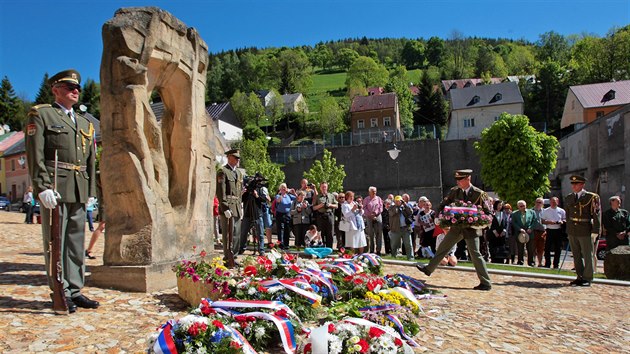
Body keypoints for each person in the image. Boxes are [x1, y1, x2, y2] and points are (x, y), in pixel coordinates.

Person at [25, 69, 99, 312]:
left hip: (78, 187)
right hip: (56, 187)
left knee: (76, 242)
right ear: (55, 89)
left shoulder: (86, 122)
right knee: (55, 241)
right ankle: (59, 290)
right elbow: (35, 154)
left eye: (76, 87)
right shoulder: (42, 115)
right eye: (68, 87)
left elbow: (90, 160)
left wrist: (89, 190)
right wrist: (42, 186)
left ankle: (75, 289)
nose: (75, 90)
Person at [416, 169, 493, 291]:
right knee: (443, 246)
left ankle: (486, 282)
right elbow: (443, 204)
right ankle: (429, 269)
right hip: (457, 227)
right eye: (456, 179)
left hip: (471, 229)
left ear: (468, 179)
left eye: (460, 179)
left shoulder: (479, 194)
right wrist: (437, 216)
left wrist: (481, 222)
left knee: (475, 254)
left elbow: (488, 212)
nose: (457, 182)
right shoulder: (454, 191)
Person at [564, 175, 601, 287]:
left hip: (585, 228)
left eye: (576, 184)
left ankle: (588, 277)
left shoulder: (591, 197)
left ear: (582, 185)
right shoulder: (569, 197)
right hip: (572, 229)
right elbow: (568, 215)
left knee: (587, 254)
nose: (574, 186)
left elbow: (596, 214)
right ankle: (579, 276)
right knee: (576, 254)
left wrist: (596, 230)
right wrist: (568, 230)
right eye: (572, 184)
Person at [216, 149, 244, 265]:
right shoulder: (223, 171)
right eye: (235, 157)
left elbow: (238, 191)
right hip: (228, 208)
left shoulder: (238, 173)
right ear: (229, 157)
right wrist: (225, 208)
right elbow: (220, 192)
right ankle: (228, 258)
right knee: (228, 234)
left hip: (236, 207)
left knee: (237, 234)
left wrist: (240, 205)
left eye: (238, 158)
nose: (237, 160)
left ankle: (234, 256)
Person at [239, 173, 267, 256]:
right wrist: (242, 193)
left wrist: (257, 196)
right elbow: (241, 200)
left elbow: (264, 200)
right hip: (247, 213)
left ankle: (261, 250)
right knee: (243, 232)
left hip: (257, 213)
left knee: (260, 233)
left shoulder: (261, 189)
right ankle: (241, 248)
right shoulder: (247, 189)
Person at [541, 197, 566, 268]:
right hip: (549, 230)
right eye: (552, 202)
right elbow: (542, 221)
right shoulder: (546, 211)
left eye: (555, 202)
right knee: (547, 248)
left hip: (558, 230)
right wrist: (549, 222)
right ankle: (547, 263)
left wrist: (562, 222)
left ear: (557, 202)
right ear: (550, 202)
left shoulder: (562, 211)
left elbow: (564, 219)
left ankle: (556, 264)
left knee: (558, 248)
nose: (553, 203)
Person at [85, 171, 105, 260]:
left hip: (114, 203)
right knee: (102, 226)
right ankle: (89, 249)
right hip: (105, 204)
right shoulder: (99, 175)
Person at [313, 182, 338, 248]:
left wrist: (330, 205)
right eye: (322, 187)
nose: (324, 188)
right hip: (320, 216)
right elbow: (314, 208)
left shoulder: (331, 196)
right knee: (321, 233)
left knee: (330, 233)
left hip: (329, 216)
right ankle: (321, 248)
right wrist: (320, 205)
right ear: (320, 188)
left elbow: (336, 205)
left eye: (325, 187)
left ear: (327, 187)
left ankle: (329, 249)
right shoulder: (317, 196)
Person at [511, 200, 536, 266]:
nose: (523, 207)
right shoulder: (514, 214)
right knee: (520, 248)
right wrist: (519, 229)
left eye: (524, 206)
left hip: (529, 233)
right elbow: (513, 223)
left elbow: (535, 221)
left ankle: (531, 262)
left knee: (530, 248)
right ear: (518, 207)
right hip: (519, 233)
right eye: (521, 206)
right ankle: (520, 261)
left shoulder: (532, 212)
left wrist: (531, 228)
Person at [388, 195, 414, 260]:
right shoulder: (391, 207)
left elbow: (410, 212)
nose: (398, 202)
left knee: (408, 244)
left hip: (406, 228)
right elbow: (392, 213)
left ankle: (410, 257)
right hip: (395, 229)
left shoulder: (405, 207)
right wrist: (397, 206)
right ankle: (393, 257)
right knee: (394, 245)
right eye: (396, 201)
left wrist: (404, 204)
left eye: (399, 201)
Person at [362, 186, 384, 255]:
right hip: (369, 217)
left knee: (379, 234)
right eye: (373, 191)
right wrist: (370, 214)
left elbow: (381, 207)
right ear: (369, 192)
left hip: (378, 216)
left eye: (375, 191)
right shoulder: (366, 199)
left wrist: (375, 213)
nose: (374, 192)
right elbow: (364, 208)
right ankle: (371, 250)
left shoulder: (378, 198)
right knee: (371, 234)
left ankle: (378, 250)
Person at [275, 183, 296, 249]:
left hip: (287, 214)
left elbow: (298, 198)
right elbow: (278, 201)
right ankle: (280, 244)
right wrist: (282, 194)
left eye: (285, 187)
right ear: (280, 189)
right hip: (280, 214)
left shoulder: (289, 196)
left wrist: (294, 193)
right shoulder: (278, 196)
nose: (284, 189)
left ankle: (286, 244)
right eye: (282, 187)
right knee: (280, 229)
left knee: (287, 229)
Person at [487, 199, 509, 264]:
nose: (500, 206)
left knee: (501, 247)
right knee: (493, 247)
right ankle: (493, 260)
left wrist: (504, 231)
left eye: (501, 205)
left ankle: (501, 260)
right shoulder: (492, 213)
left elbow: (506, 223)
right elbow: (490, 223)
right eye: (499, 205)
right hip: (493, 234)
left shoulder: (504, 213)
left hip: (502, 234)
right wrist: (495, 232)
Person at [531, 197, 547, 267]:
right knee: (532, 247)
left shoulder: (545, 211)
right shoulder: (531, 211)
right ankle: (532, 262)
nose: (538, 204)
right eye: (537, 202)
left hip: (542, 232)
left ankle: (540, 263)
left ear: (542, 204)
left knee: (540, 248)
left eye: (540, 202)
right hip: (533, 231)